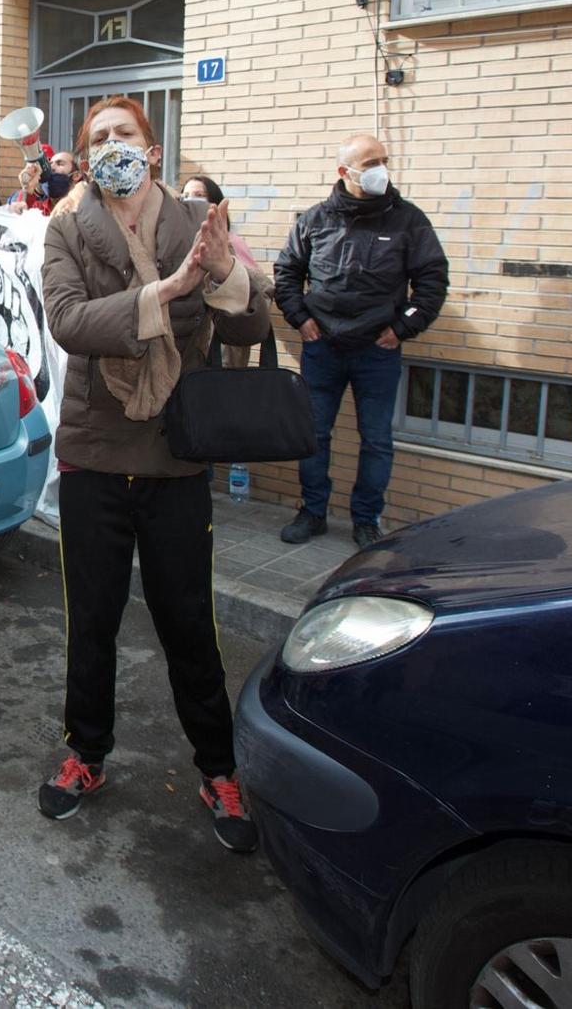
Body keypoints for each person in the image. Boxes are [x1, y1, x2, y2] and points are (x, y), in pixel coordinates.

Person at [37, 96, 269, 852]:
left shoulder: (196, 224)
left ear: (154, 149)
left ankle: (218, 767)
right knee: (92, 621)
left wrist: (226, 272)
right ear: (85, 152)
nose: (113, 148)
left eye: (125, 135)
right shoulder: (68, 226)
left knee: (189, 623)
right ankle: (86, 754)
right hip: (95, 454)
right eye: (98, 138)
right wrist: (162, 295)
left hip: (176, 454)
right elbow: (67, 321)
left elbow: (251, 327)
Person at [273, 134, 448, 549]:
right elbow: (286, 274)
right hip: (323, 348)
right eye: (370, 163)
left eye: (384, 160)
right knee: (313, 435)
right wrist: (302, 320)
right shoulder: (315, 220)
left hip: (378, 350)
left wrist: (403, 328)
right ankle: (312, 512)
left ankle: (366, 520)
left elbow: (432, 281)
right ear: (344, 172)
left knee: (376, 440)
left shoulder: (408, 220)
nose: (380, 170)